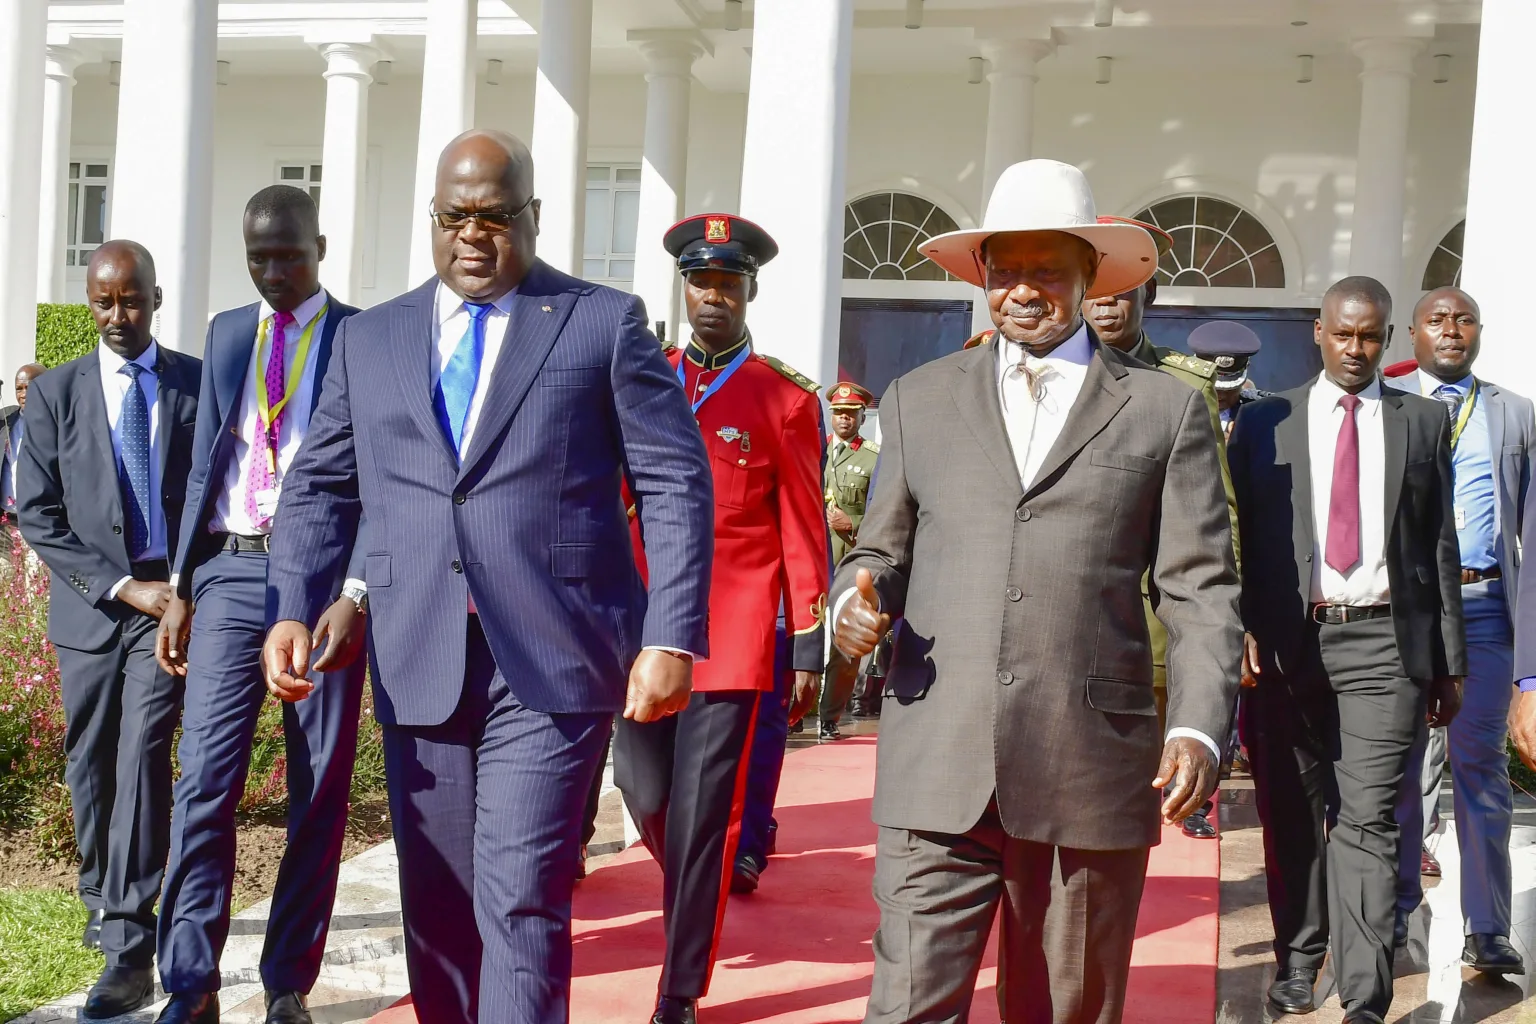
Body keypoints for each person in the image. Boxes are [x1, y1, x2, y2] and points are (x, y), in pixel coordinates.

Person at [260, 130, 713, 1024]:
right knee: (437, 905)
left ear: (531, 219)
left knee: (518, 894)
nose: (474, 235)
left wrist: (670, 634)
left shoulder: (599, 322)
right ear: (433, 220)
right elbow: (319, 484)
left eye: (495, 217)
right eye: (455, 217)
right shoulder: (371, 339)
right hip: (419, 649)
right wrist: (293, 604)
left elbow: (673, 479)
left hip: (552, 659)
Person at [832, 159, 1241, 1024]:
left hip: (1088, 767)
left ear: (1092, 276)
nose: (1022, 290)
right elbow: (880, 548)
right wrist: (854, 598)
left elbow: (1199, 586)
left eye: (1045, 270)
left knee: (1066, 1010)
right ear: (982, 277)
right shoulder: (917, 400)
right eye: (1003, 270)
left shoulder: (1165, 411)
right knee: (905, 1008)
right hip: (936, 757)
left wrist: (1200, 725)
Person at [150, 186, 371, 1024]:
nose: (274, 272)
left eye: (289, 255)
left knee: (318, 789)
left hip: (319, 587)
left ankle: (287, 984)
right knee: (205, 778)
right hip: (233, 573)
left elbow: (382, 483)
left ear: (320, 244)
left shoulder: (361, 336)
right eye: (258, 258)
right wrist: (181, 584)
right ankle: (191, 983)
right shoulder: (227, 332)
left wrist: (354, 589)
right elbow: (208, 467)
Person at [1228, 276, 1465, 1024]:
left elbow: (1440, 546)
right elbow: (1232, 541)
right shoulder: (1264, 421)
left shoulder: (1422, 422)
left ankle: (1364, 992)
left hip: (1385, 644)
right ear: (1320, 334)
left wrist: (1448, 661)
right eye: (1343, 333)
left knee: (1368, 821)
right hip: (1287, 644)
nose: (1356, 348)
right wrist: (1237, 628)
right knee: (1292, 813)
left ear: (1388, 339)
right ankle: (1298, 960)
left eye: (1370, 336)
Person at [613, 213, 827, 1024]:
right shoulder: (646, 379)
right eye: (701, 282)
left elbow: (803, 528)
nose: (713, 296)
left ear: (749, 292)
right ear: (686, 288)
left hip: (731, 640)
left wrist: (805, 639)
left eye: (728, 283)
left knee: (706, 817)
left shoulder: (784, 401)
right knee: (642, 787)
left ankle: (679, 989)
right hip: (639, 631)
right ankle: (694, 879)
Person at [16, 240, 202, 1020]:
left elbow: (210, 493)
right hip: (97, 607)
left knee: (143, 751)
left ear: (156, 298)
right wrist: (125, 587)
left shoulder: (197, 383)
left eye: (132, 300)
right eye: (104, 302)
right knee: (89, 755)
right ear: (87, 303)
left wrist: (183, 591)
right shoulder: (54, 393)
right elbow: (39, 515)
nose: (118, 315)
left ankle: (131, 926)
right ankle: (101, 892)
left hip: (171, 608)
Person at [1385, 287, 1530, 975]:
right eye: (1436, 320)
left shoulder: (1515, 416)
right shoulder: (1382, 406)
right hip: (1406, 614)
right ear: (1411, 333)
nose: (1451, 330)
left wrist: (1533, 671)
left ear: (1478, 332)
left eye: (1463, 320)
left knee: (1481, 767)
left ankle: (1490, 927)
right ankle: (1399, 906)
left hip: (1484, 609)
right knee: (1400, 764)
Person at [820, 381, 878, 737]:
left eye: (850, 414)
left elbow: (883, 512)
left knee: (844, 643)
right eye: (838, 414)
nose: (844, 420)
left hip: (849, 560)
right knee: (804, 639)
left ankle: (829, 716)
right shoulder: (816, 452)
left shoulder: (873, 458)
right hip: (814, 559)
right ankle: (794, 712)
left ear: (861, 417)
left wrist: (851, 523)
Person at [1187, 320, 1264, 441]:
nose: (1221, 396)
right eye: (1213, 388)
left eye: (1230, 389)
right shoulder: (1178, 410)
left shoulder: (1260, 415)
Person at [2, 362, 45, 564]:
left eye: (30, 387)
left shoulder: (60, 423)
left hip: (41, 525)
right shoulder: (6, 419)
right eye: (19, 388)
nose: (24, 394)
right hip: (6, 525)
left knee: (36, 587)